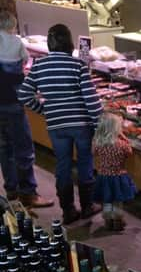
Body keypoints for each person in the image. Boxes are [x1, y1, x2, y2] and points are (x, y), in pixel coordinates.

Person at [18, 24, 103, 224]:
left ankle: (68, 211)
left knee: (63, 165)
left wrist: (45, 111)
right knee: (84, 163)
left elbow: (23, 94)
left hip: (56, 125)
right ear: (69, 42)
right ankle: (87, 206)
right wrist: (99, 124)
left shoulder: (39, 65)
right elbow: (91, 100)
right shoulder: (78, 66)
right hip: (81, 124)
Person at [0, 11, 53, 208]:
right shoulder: (16, 42)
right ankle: (29, 193)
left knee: (4, 148)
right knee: (23, 150)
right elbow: (24, 63)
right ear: (12, 26)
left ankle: (11, 189)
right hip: (14, 103)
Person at [92, 113, 137, 232]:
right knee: (117, 201)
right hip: (118, 176)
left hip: (103, 176)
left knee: (106, 200)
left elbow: (93, 152)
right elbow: (129, 152)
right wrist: (125, 138)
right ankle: (118, 222)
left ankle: (107, 221)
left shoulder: (99, 143)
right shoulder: (121, 144)